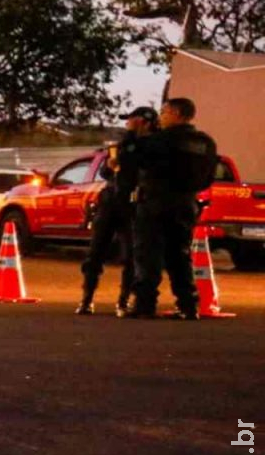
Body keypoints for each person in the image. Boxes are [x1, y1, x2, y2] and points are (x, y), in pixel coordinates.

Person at [124, 97, 218, 320]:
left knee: (148, 254)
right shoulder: (205, 143)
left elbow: (130, 159)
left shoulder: (160, 140)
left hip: (156, 202)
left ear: (176, 113)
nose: (161, 116)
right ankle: (188, 305)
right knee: (180, 255)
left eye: (164, 111)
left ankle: (145, 304)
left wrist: (133, 134)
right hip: (186, 204)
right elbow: (208, 178)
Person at [75, 107, 153, 315]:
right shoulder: (123, 143)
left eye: (131, 119)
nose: (127, 123)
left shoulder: (153, 146)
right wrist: (110, 165)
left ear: (144, 122)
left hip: (134, 203)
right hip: (111, 201)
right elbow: (107, 172)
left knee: (131, 256)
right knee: (95, 252)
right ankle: (86, 299)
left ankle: (124, 301)